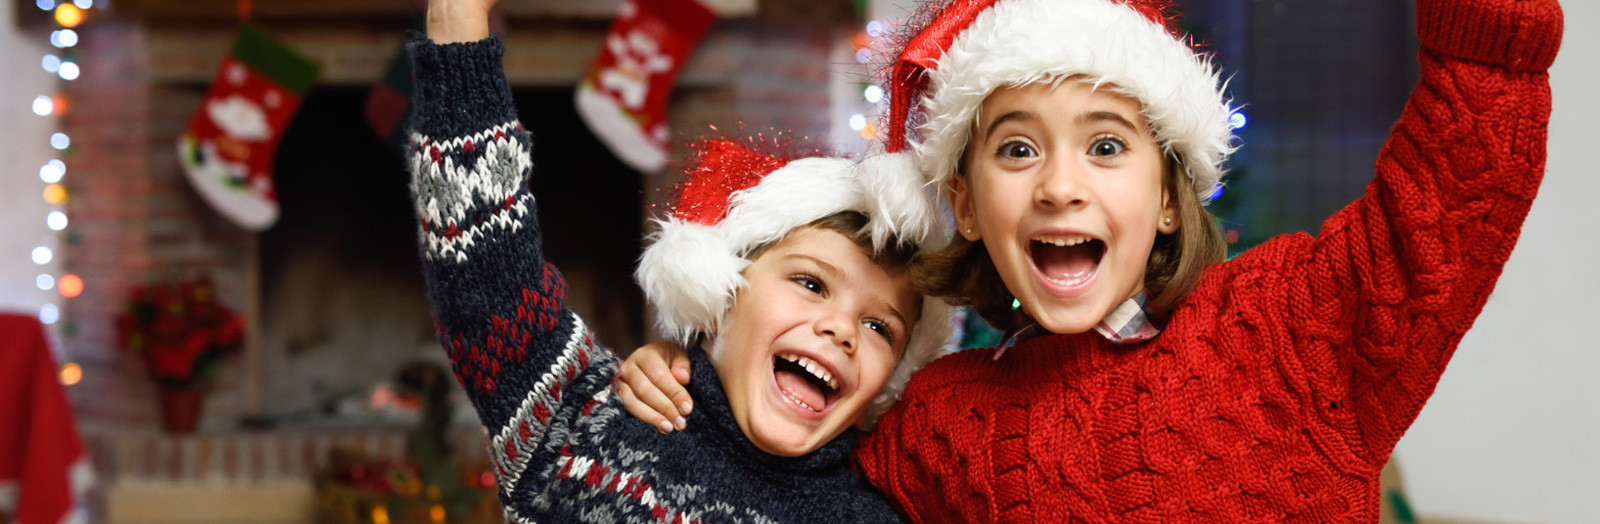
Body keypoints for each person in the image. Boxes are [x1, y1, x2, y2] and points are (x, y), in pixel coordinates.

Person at [617, 0, 1564, 520]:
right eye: (1018, 149)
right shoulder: (945, 425)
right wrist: (685, 382)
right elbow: (782, 466)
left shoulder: (1290, 328)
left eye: (1106, 147)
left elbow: (1454, 186)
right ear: (966, 205)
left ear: (1165, 193)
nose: (1060, 186)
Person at [408, 0, 953, 521]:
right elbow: (486, 277)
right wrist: (458, 19)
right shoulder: (591, 426)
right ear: (719, 295)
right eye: (811, 283)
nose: (841, 329)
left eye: (880, 326)